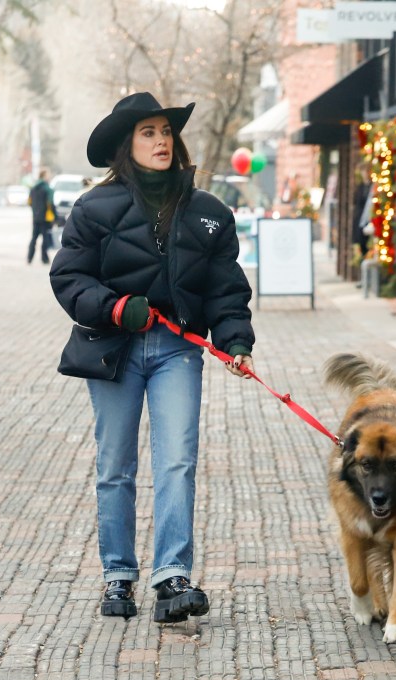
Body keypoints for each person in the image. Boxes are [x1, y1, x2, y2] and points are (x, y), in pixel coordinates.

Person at [49, 91, 256, 623]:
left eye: (166, 131)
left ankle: (172, 576)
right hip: (112, 349)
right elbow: (68, 278)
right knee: (116, 464)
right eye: (148, 133)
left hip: (178, 349)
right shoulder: (93, 209)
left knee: (177, 461)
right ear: (127, 144)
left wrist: (235, 341)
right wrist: (118, 308)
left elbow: (225, 288)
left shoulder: (209, 213)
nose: (162, 140)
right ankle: (118, 577)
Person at [27, 169, 54, 264]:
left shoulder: (33, 188)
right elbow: (50, 204)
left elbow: (29, 202)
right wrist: (54, 217)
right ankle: (44, 258)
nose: (49, 177)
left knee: (34, 238)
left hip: (36, 217)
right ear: (44, 176)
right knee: (45, 239)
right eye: (48, 175)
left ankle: (29, 257)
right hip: (46, 218)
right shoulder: (48, 189)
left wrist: (35, 211)